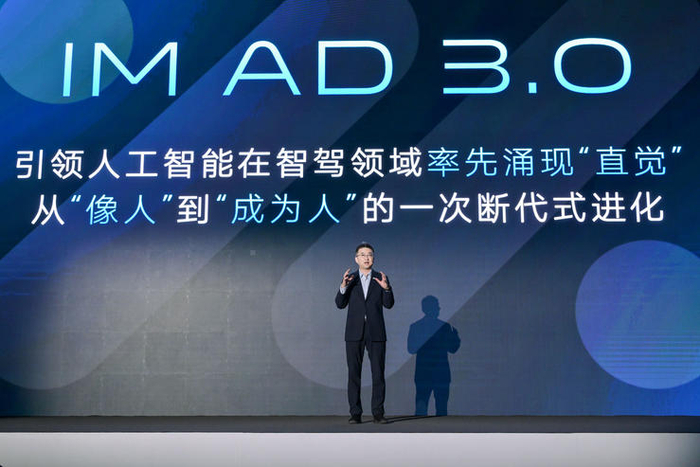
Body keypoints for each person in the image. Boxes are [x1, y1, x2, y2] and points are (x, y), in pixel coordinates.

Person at [335, 243, 394, 424]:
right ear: (356, 259)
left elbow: (389, 304)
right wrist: (343, 286)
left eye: (369, 254)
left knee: (378, 374)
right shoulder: (350, 279)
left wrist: (386, 288)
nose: (366, 257)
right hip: (354, 332)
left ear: (373, 258)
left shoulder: (381, 278)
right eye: (363, 254)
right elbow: (340, 304)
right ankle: (355, 413)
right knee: (354, 374)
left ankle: (378, 413)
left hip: (376, 332)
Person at [407, 295, 460, 416]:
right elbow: (453, 349)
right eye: (437, 306)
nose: (439, 309)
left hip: (423, 373)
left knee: (421, 409)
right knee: (441, 408)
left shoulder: (416, 327)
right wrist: (455, 337)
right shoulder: (444, 327)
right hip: (441, 373)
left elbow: (411, 349)